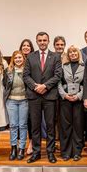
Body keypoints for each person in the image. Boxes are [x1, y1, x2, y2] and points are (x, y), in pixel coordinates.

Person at [23, 32, 63, 164]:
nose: (42, 42)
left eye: (44, 40)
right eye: (39, 40)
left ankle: (50, 152)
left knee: (50, 126)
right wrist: (35, 87)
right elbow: (26, 75)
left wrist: (45, 86)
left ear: (48, 41)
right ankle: (36, 152)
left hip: (50, 95)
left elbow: (58, 75)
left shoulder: (56, 56)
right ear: (37, 41)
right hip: (34, 96)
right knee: (35, 126)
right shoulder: (30, 57)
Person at [58, 45, 85, 161]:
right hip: (66, 99)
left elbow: (86, 83)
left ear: (78, 54)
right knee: (65, 126)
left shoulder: (84, 66)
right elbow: (58, 82)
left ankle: (77, 152)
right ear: (68, 55)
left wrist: (79, 96)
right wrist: (64, 95)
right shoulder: (63, 66)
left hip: (78, 100)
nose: (73, 54)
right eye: (71, 52)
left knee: (78, 126)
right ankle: (66, 152)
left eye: (75, 52)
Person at [4, 50, 28, 161]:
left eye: (20, 57)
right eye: (16, 58)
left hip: (24, 100)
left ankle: (22, 148)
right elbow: (5, 86)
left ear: (23, 59)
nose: (18, 59)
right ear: (13, 59)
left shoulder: (28, 71)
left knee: (22, 125)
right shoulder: (8, 71)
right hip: (11, 101)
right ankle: (13, 148)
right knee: (13, 125)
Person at [19, 39, 35, 156]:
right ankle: (20, 144)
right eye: (23, 45)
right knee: (20, 122)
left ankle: (31, 143)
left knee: (30, 121)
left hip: (31, 94)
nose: (25, 47)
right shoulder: (17, 59)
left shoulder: (34, 59)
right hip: (18, 96)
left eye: (28, 46)